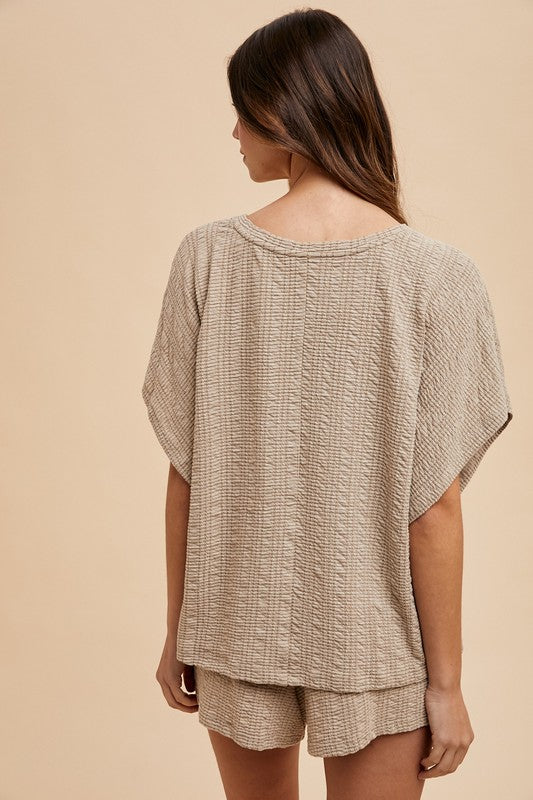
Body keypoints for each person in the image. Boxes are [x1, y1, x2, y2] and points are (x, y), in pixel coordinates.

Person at [141, 8, 513, 799]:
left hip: (233, 625)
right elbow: (433, 507)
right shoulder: (438, 277)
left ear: (282, 111)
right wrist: (445, 686)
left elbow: (186, 473)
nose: (233, 132)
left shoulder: (207, 259)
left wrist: (181, 629)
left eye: (242, 110)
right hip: (374, 641)